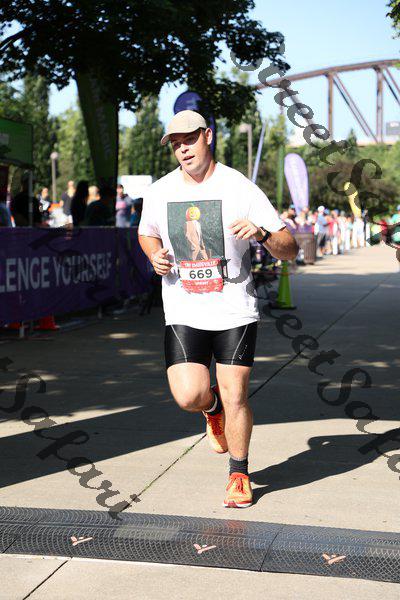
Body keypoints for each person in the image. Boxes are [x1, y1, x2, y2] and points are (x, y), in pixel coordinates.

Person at [138, 110, 298, 508]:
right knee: (188, 395)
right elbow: (147, 233)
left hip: (233, 310)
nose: (183, 149)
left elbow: (289, 249)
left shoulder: (239, 187)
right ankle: (211, 409)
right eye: (176, 144)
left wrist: (261, 233)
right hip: (183, 309)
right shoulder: (160, 191)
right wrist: (154, 255)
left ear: (208, 136)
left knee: (236, 395)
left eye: (189, 140)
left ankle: (239, 474)